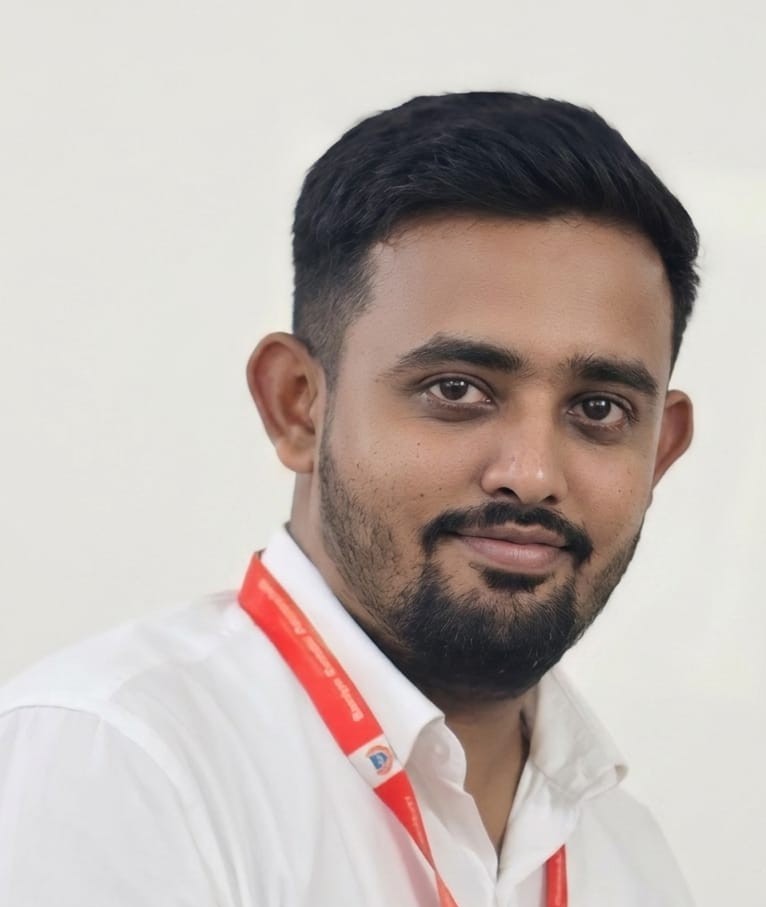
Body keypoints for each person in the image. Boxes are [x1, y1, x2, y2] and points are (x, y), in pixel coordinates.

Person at [0, 92, 699, 905]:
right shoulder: (122, 763)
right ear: (298, 404)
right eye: (456, 389)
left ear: (661, 451)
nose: (532, 472)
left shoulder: (628, 854)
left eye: (599, 409)